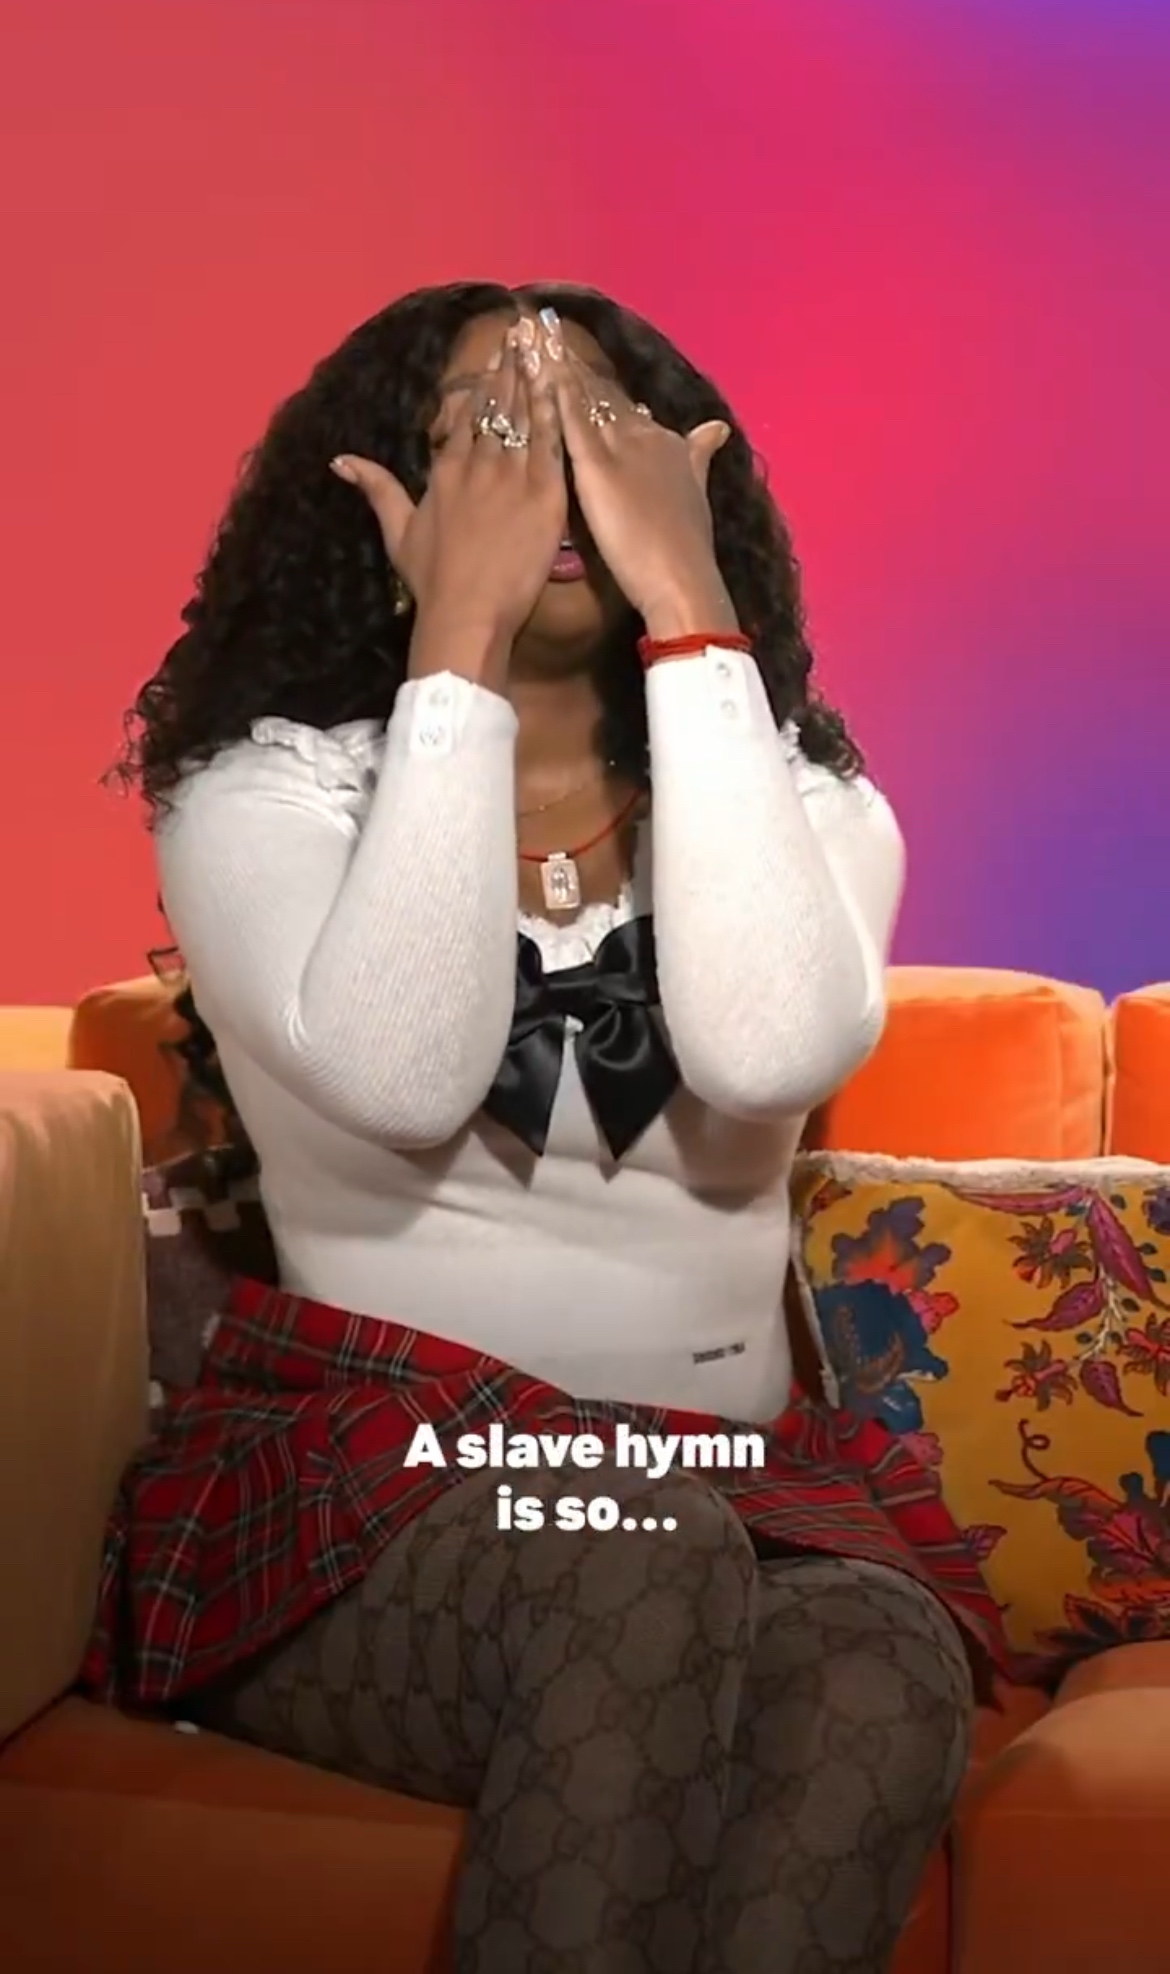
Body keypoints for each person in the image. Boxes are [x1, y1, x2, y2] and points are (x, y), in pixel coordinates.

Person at [89, 282, 1005, 1974]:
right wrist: (459, 639)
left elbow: (766, 1047)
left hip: (731, 1483)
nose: (549, 481)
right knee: (633, 1546)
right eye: (487, 436)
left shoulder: (807, 802)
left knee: (878, 1659)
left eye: (593, 433)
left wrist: (693, 615)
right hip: (384, 1491)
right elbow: (404, 1072)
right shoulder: (260, 793)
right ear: (383, 496)